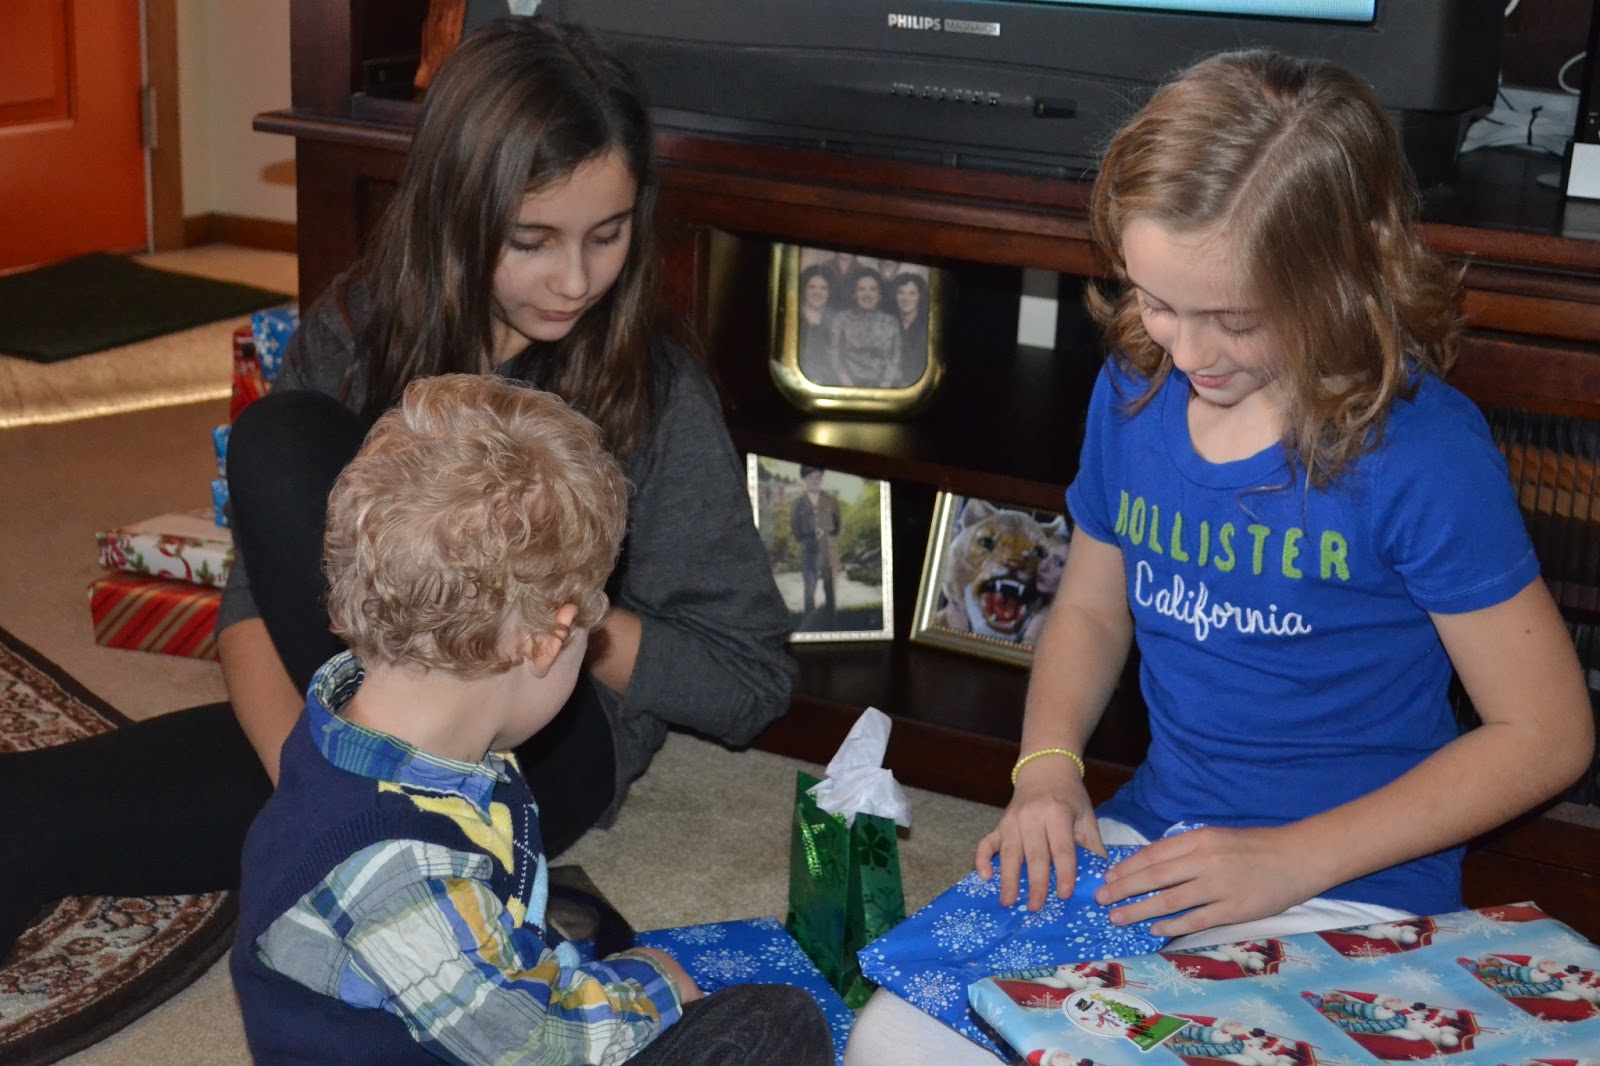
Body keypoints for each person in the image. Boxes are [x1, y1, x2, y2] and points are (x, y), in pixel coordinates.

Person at [843, 49, 1594, 1063]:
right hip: (1155, 844)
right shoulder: (1135, 387)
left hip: (1350, 884)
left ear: (1342, 276)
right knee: (893, 1040)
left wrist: (1287, 863)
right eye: (1157, 300)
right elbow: (1092, 609)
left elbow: (1547, 733)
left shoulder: (1422, 453)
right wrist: (1048, 771)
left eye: (1236, 320)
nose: (1188, 353)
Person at [0, 16, 795, 957]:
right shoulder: (355, 328)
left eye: (608, 234)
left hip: (535, 748)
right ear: (455, 213)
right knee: (276, 442)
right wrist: (315, 788)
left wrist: (558, 611)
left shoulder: (654, 388)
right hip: (355, 707)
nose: (576, 279)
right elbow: (252, 605)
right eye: (532, 240)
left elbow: (750, 681)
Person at [232, 374, 831, 1065]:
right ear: (551, 638)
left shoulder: (375, 739)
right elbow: (537, 1048)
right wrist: (653, 984)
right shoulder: (397, 868)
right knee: (772, 1026)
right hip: (515, 1049)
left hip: (470, 1013)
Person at [827, 269, 902, 388]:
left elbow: (895, 357)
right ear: (854, 293)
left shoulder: (891, 322)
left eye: (873, 289)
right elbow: (833, 354)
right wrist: (847, 383)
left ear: (879, 295)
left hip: (884, 385)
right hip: (847, 383)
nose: (867, 294)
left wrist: (885, 384)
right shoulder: (841, 319)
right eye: (861, 289)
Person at [788, 464, 842, 623]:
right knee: (809, 589)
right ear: (804, 480)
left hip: (828, 552)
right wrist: (808, 538)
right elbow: (795, 527)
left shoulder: (831, 500)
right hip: (809, 551)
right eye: (811, 477)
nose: (815, 480)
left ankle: (832, 621)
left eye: (818, 477)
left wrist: (827, 536)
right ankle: (809, 623)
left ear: (822, 478)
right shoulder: (798, 503)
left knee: (830, 589)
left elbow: (838, 525)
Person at [796, 263, 836, 384]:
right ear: (804, 289)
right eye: (812, 287)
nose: (817, 292)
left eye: (824, 288)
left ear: (830, 292)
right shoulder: (794, 316)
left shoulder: (837, 320)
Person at [890, 271, 930, 385]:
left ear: (920, 296)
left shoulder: (926, 325)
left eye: (912, 293)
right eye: (901, 292)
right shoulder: (887, 323)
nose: (906, 298)